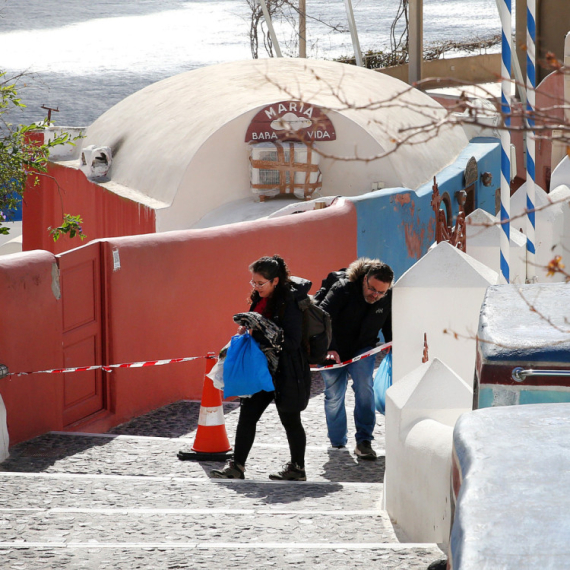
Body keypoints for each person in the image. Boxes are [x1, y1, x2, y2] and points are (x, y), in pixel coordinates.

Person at [211, 255, 311, 481]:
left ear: (275, 281)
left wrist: (262, 326)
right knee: (247, 416)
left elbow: (293, 341)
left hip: (286, 369)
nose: (255, 287)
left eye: (260, 283)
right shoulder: (259, 299)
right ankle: (237, 466)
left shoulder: (291, 301)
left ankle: (298, 468)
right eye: (253, 283)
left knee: (290, 420)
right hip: (260, 368)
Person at [319, 258, 393, 459]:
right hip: (332, 349)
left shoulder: (386, 297)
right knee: (334, 395)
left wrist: (391, 342)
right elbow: (321, 318)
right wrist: (330, 348)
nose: (375, 295)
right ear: (364, 280)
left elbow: (388, 321)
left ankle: (364, 441)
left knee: (364, 389)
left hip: (363, 348)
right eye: (372, 289)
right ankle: (337, 442)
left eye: (381, 292)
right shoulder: (343, 289)